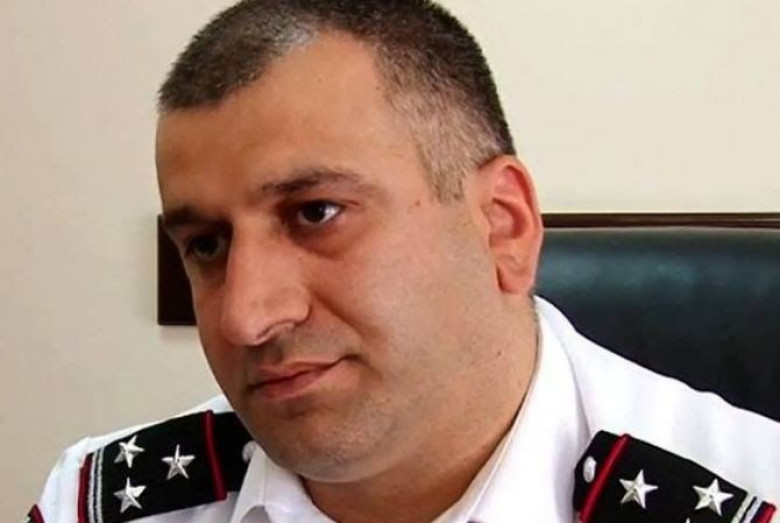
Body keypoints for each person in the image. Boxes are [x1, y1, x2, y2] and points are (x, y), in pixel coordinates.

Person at [29, 1, 780, 522]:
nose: (245, 316)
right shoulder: (100, 501)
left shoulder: (752, 496)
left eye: (315, 213)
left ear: (502, 226)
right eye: (207, 245)